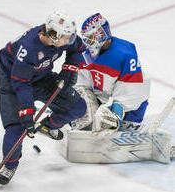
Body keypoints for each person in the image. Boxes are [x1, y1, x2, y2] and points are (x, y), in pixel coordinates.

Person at [60, 13, 165, 164]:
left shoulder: (124, 54)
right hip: (103, 95)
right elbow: (81, 83)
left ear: (101, 35)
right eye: (86, 38)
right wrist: (82, 104)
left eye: (90, 38)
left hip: (131, 102)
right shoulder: (86, 53)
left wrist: (116, 109)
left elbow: (132, 87)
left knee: (122, 136)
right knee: (88, 121)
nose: (87, 42)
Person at [0, 11, 87, 185]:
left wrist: (70, 67)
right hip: (13, 82)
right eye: (66, 37)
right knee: (16, 130)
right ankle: (10, 165)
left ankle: (47, 126)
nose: (69, 40)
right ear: (53, 36)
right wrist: (27, 111)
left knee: (77, 108)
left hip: (41, 77)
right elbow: (21, 83)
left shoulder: (60, 38)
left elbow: (77, 47)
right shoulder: (29, 48)